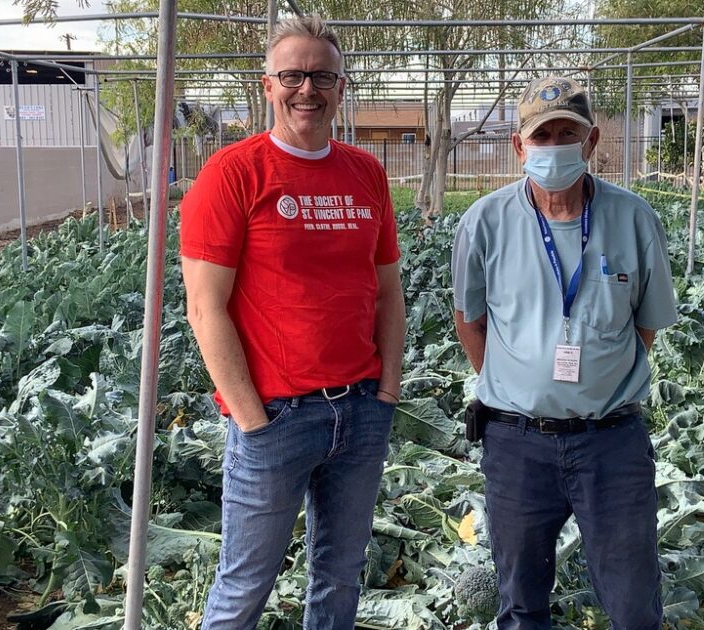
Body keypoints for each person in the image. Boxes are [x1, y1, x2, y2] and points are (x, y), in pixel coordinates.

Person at [178, 15, 405, 630]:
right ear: (268, 85)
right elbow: (205, 308)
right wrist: (252, 417)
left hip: (359, 411)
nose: (308, 89)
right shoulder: (232, 173)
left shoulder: (366, 173)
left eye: (323, 76)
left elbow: (388, 292)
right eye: (294, 75)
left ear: (341, 86)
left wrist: (386, 392)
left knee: (339, 576)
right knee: (245, 583)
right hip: (275, 418)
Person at [451, 76, 678, 630]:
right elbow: (469, 319)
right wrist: (518, 386)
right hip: (517, 445)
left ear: (592, 140)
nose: (554, 146)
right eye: (542, 135)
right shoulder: (485, 221)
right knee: (522, 601)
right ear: (519, 146)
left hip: (612, 442)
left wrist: (594, 384)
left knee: (631, 603)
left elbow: (646, 324)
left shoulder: (633, 218)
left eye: (567, 134)